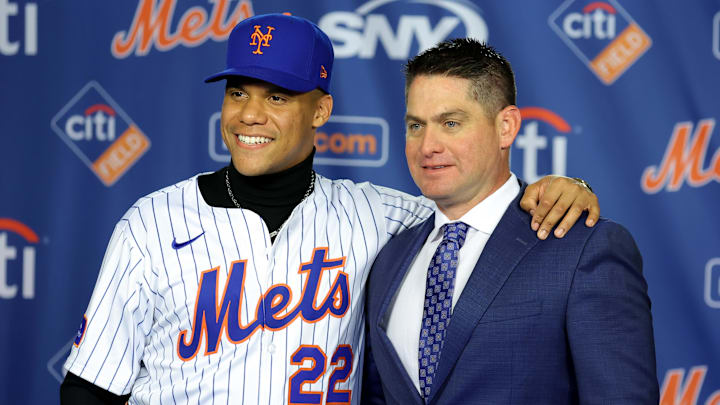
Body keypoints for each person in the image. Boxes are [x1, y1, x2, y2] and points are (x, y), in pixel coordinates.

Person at [60, 14, 600, 404]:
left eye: (277, 97)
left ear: (321, 110)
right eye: (237, 92)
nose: (249, 115)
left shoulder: (383, 219)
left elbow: (481, 210)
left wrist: (562, 187)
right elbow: (89, 389)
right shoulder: (152, 223)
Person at [364, 38, 658, 404]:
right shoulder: (388, 258)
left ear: (506, 126)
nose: (427, 146)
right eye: (415, 126)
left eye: (451, 123)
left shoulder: (582, 249)